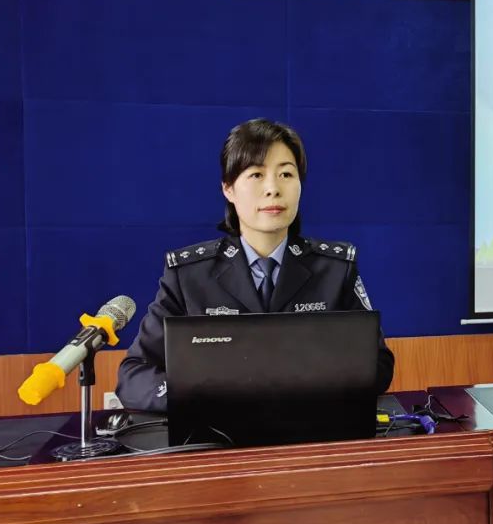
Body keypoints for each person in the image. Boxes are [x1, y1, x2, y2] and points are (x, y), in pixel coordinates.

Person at [116, 118, 394, 412]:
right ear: (228, 188)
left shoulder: (336, 269)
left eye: (286, 174)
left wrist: (306, 386)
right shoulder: (188, 276)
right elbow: (134, 374)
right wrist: (198, 395)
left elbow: (377, 364)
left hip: (312, 428)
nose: (273, 188)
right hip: (216, 432)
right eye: (256, 174)